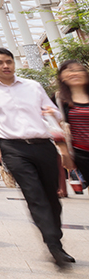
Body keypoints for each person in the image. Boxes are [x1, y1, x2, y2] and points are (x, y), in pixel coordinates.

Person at [0, 47, 73, 267]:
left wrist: (52, 113)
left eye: (9, 61)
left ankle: (55, 237)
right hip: (13, 148)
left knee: (51, 196)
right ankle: (54, 246)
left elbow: (54, 113)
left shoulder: (33, 86)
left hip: (44, 145)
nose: (6, 66)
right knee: (34, 195)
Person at [55, 59, 89, 196]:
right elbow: (54, 128)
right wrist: (65, 153)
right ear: (61, 76)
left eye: (78, 70)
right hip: (82, 154)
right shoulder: (59, 99)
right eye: (69, 70)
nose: (74, 73)